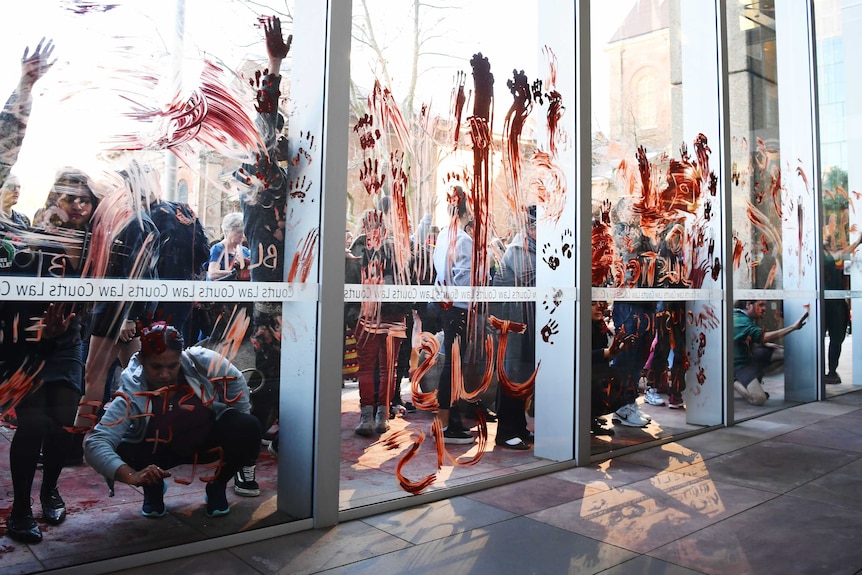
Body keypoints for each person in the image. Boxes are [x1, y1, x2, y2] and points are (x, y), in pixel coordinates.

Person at [83, 322, 261, 518]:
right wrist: (133, 476)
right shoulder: (130, 390)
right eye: (156, 366)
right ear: (142, 359)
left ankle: (217, 486)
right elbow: (96, 443)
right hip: (156, 454)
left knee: (247, 426)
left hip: (203, 443)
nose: (164, 374)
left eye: (172, 366)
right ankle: (153, 489)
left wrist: (236, 423)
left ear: (181, 357)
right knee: (122, 449)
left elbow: (236, 382)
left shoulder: (201, 361)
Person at [490, 205, 537, 449]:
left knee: (524, 374)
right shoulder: (519, 249)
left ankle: (518, 426)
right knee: (512, 374)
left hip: (527, 320)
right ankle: (506, 432)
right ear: (529, 227)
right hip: (514, 319)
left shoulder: (533, 247)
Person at [432, 184, 475, 444]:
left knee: (452, 364)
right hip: (458, 308)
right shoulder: (463, 239)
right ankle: (448, 423)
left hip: (447, 307)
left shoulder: (444, 236)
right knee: (454, 365)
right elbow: (465, 278)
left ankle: (449, 420)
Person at [733, 300, 809, 405]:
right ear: (748, 305)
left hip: (749, 356)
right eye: (761, 305)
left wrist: (762, 344)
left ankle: (755, 375)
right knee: (759, 399)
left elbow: (743, 339)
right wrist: (793, 327)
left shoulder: (742, 317)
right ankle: (733, 381)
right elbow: (763, 336)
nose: (764, 308)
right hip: (740, 365)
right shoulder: (739, 320)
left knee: (783, 353)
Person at [590, 301, 637, 435]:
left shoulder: (600, 326)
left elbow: (606, 357)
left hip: (594, 372)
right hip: (578, 376)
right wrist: (609, 351)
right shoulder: (578, 325)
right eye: (593, 304)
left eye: (601, 303)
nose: (599, 307)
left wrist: (620, 348)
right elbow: (578, 355)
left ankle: (591, 417)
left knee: (619, 379)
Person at [822, 235, 861, 384]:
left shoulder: (830, 257)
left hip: (836, 303)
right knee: (832, 339)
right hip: (829, 304)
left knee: (836, 339)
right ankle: (827, 371)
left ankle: (831, 371)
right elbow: (841, 254)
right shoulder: (824, 258)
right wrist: (857, 242)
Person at [207, 212, 251, 281]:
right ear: (228, 231)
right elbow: (212, 274)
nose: (242, 235)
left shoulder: (245, 251)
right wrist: (235, 273)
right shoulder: (218, 249)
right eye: (238, 232)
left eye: (243, 232)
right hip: (220, 290)